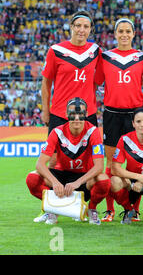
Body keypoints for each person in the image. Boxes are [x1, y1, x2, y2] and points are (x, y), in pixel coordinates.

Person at [94, 18, 143, 222]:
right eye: (120, 31)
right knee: (111, 164)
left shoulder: (142, 57)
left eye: (128, 31)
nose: (124, 34)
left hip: (135, 115)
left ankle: (134, 209)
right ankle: (110, 210)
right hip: (112, 115)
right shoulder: (105, 57)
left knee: (137, 163)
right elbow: (97, 80)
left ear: (134, 34)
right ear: (115, 34)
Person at [26, 97, 110, 225]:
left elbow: (99, 167)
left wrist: (78, 182)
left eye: (80, 114)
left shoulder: (93, 131)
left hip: (83, 178)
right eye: (72, 114)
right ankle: (51, 210)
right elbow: (40, 164)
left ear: (86, 115)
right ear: (66, 115)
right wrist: (54, 183)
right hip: (61, 176)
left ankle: (91, 209)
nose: (76, 118)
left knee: (104, 180)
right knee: (32, 178)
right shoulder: (57, 132)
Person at [40, 10, 101, 170]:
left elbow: (99, 80)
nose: (82, 30)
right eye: (78, 25)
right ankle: (55, 192)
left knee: (89, 162)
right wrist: (46, 110)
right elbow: (46, 83)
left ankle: (84, 195)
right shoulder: (56, 50)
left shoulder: (95, 51)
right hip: (60, 113)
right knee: (53, 161)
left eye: (86, 26)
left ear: (90, 29)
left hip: (87, 114)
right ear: (71, 27)